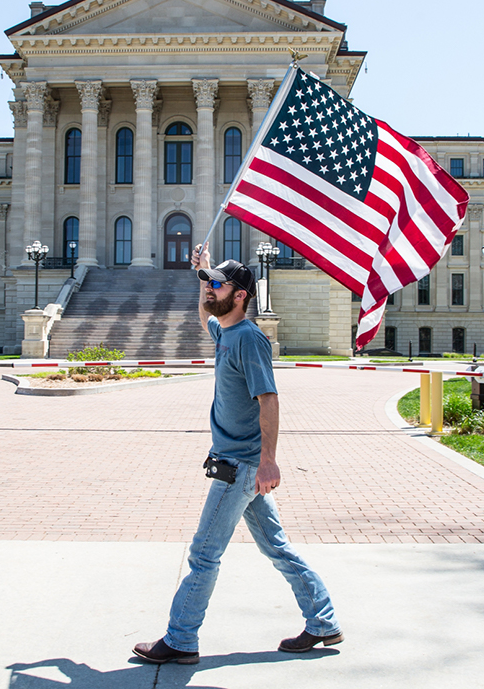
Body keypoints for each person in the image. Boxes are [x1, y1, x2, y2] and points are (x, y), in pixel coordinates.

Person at [132, 242, 342, 665]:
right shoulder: (225, 331)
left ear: (240, 294)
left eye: (217, 286)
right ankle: (323, 621)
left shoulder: (248, 339)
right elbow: (203, 315)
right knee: (277, 548)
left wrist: (268, 460)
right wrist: (204, 272)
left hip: (241, 468)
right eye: (208, 285)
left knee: (204, 554)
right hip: (241, 466)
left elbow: (269, 399)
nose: (209, 290)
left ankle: (181, 639)